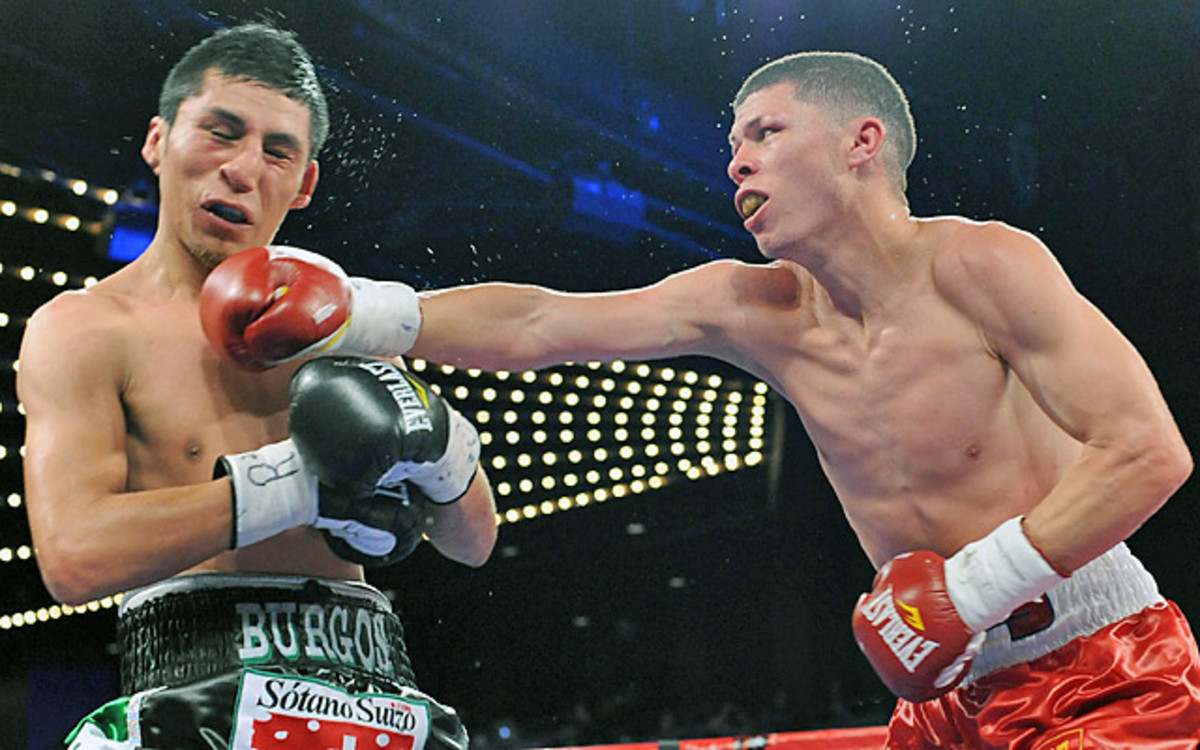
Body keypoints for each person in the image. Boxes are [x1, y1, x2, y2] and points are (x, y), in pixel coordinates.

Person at [215, 50, 1200, 746]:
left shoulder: (984, 264)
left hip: (1097, 667)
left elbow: (1148, 451)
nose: (736, 161)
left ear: (863, 142)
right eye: (733, 143)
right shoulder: (751, 306)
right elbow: (541, 325)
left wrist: (970, 590)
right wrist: (364, 311)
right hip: (941, 697)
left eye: (768, 132)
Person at [17, 23, 497, 749]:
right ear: (159, 140)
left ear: (304, 183)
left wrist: (444, 442)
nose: (242, 170)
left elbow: (473, 540)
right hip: (194, 688)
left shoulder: (343, 323)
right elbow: (74, 557)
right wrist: (299, 485)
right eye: (220, 131)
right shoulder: (86, 328)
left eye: (278, 151)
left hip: (376, 691)